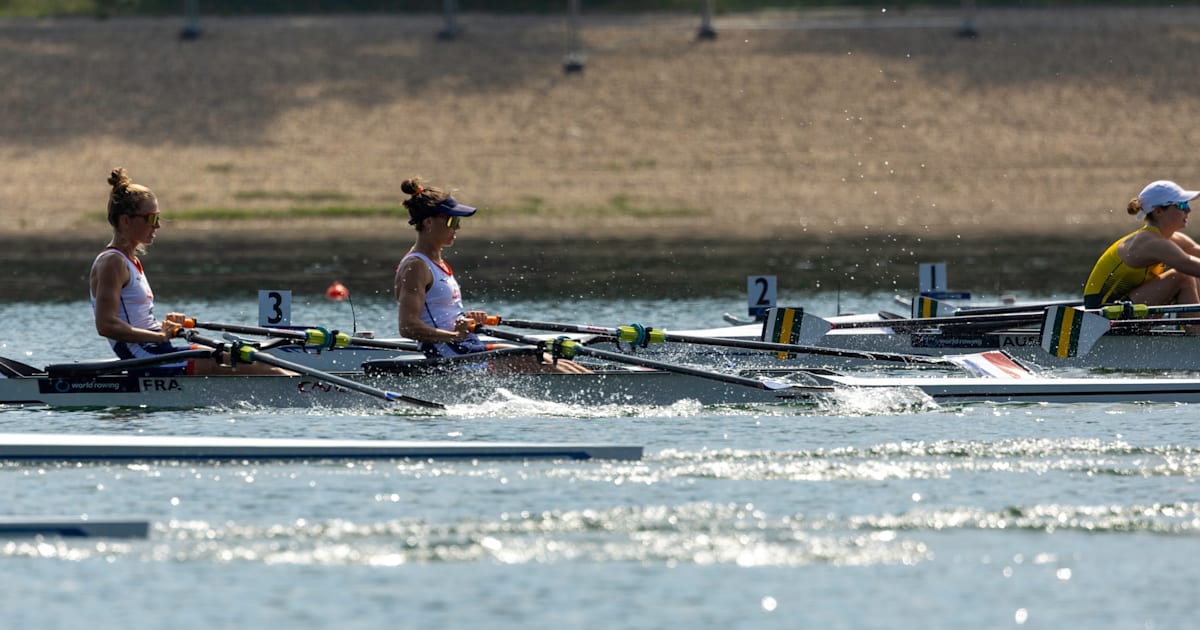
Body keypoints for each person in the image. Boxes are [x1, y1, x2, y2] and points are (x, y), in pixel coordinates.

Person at [89, 167, 288, 375]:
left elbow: (138, 322)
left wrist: (166, 327)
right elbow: (106, 325)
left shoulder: (130, 261)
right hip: (144, 357)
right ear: (126, 221)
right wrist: (159, 335)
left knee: (263, 360)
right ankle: (310, 392)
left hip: (156, 348)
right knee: (254, 367)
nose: (157, 226)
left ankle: (307, 389)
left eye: (158, 218)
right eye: (151, 219)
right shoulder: (112, 262)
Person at [393, 176, 589, 373]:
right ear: (428, 222)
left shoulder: (435, 262)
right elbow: (408, 327)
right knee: (533, 361)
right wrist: (454, 335)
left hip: (466, 346)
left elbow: (438, 314)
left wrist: (467, 318)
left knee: (544, 358)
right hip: (452, 355)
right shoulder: (416, 266)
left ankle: (595, 383)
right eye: (452, 220)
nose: (458, 227)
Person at [1083, 180, 1200, 310]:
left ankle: (1192, 325)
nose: (1188, 210)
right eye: (1182, 205)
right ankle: (1194, 330)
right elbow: (1190, 265)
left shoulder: (1168, 238)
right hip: (1102, 313)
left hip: (1126, 306)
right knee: (1183, 276)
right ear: (1158, 211)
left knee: (1195, 279)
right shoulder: (1150, 242)